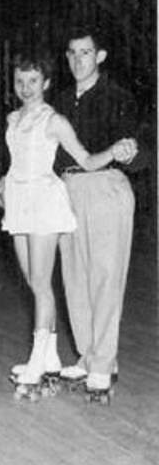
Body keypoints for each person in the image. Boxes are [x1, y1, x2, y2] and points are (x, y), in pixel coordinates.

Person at [0, 55, 130, 401]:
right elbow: (18, 159)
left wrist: (113, 151)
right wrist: (3, 181)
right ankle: (49, 356)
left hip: (44, 201)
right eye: (20, 81)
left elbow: (85, 160)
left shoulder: (55, 121)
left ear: (47, 83)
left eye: (33, 81)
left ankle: (38, 359)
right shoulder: (12, 118)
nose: (25, 88)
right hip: (19, 201)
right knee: (31, 282)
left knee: (41, 284)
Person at [53, 26, 143, 403]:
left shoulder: (119, 98)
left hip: (106, 187)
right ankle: (88, 354)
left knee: (105, 276)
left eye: (85, 53)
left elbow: (134, 148)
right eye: (72, 53)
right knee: (75, 275)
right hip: (67, 189)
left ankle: (104, 363)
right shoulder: (57, 101)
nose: (77, 60)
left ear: (100, 57)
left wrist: (129, 150)